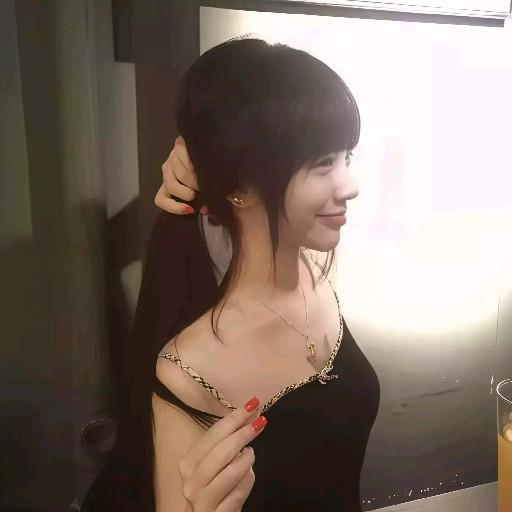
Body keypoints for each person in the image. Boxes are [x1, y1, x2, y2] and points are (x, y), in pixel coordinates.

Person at [81, 36, 380, 512]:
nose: (350, 184)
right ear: (241, 185)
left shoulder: (314, 271)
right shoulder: (189, 371)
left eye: (346, 157)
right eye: (322, 163)